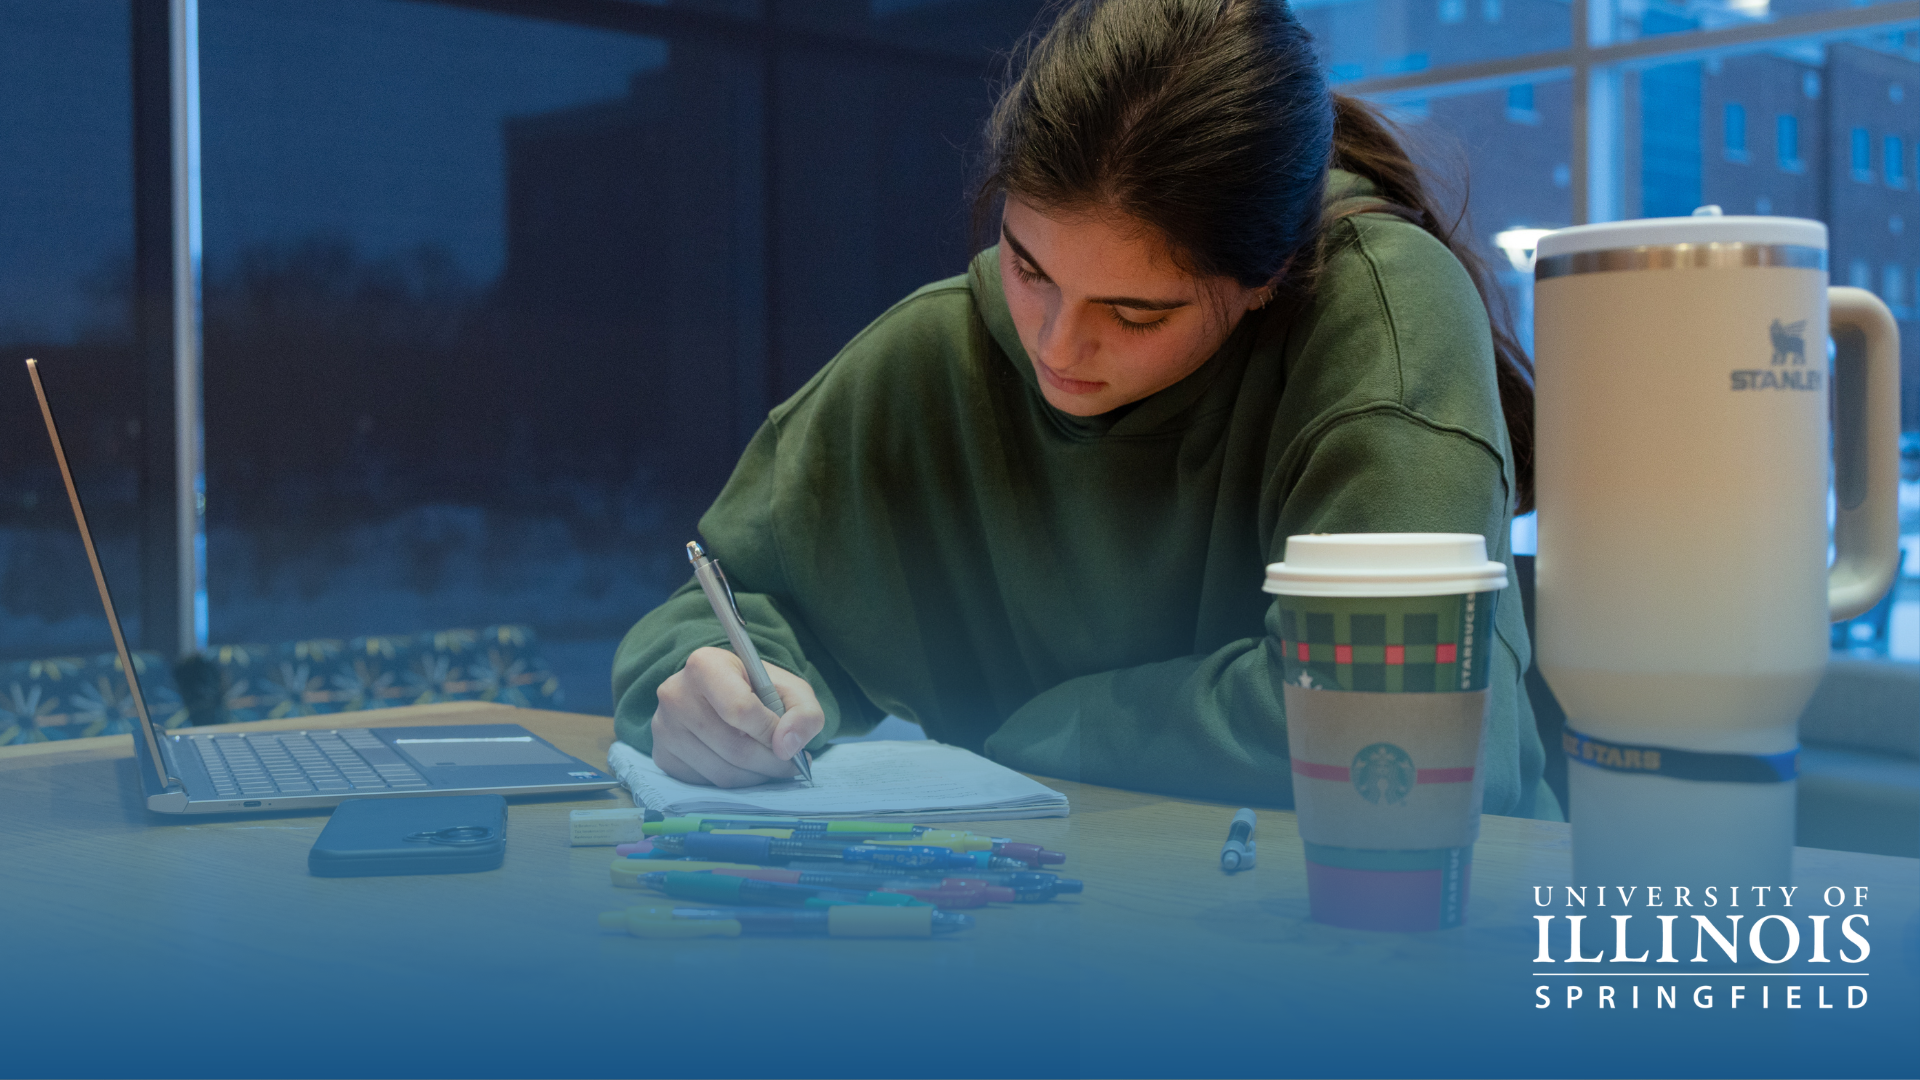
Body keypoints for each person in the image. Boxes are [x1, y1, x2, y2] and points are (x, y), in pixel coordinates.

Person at [613, 0, 1553, 817]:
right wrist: (718, 695)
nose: (1056, 346)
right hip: (1049, 924)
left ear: (1267, 278)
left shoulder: (1384, 323)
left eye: (1136, 311)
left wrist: (1045, 737)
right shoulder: (945, 355)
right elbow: (725, 609)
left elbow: (1407, 737)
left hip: (1403, 928)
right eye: (1028, 267)